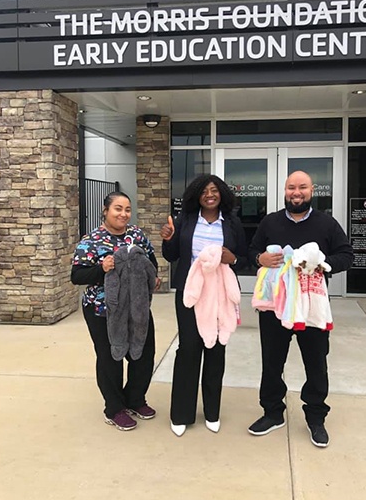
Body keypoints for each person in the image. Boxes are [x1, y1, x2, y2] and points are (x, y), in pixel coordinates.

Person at [248, 171, 353, 447]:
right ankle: (272, 413)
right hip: (275, 306)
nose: (297, 192)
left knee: (316, 363)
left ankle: (316, 418)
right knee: (272, 362)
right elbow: (252, 252)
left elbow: (346, 255)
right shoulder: (270, 222)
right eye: (292, 187)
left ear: (312, 190)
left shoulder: (326, 224)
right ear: (285, 191)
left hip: (311, 307)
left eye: (302, 187)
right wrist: (260, 258)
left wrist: (323, 263)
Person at [160, 174, 247, 437]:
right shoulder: (184, 221)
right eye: (204, 191)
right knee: (189, 349)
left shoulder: (232, 223)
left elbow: (243, 260)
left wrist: (232, 259)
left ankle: (212, 411)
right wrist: (168, 238)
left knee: (216, 349)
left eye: (214, 190)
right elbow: (171, 256)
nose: (210, 194)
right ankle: (181, 414)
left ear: (221, 194)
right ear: (196, 195)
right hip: (190, 292)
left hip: (219, 294)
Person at [71, 191, 161, 431]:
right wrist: (102, 268)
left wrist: (154, 277)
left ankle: (135, 399)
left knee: (143, 353)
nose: (123, 214)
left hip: (137, 306)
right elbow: (76, 276)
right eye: (118, 209)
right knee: (111, 357)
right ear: (105, 210)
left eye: (127, 209)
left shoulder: (137, 235)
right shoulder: (91, 241)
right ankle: (114, 408)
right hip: (102, 310)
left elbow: (151, 261)